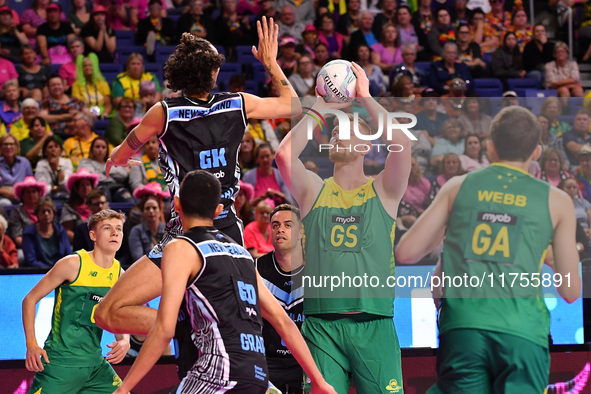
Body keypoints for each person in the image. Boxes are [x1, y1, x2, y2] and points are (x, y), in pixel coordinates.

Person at [95, 19, 301, 383]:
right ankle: (192, 327)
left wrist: (116, 157)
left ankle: (176, 324)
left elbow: (128, 146)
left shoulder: (164, 112)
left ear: (178, 74)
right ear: (215, 72)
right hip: (226, 236)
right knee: (268, 315)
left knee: (108, 312)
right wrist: (270, 62)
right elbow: (291, 104)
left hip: (182, 237)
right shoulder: (238, 104)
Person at [396, 105, 581, 394]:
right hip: (523, 332)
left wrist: (453, 240)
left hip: (464, 328)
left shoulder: (458, 186)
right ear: (536, 152)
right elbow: (570, 292)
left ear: (490, 147)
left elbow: (406, 252)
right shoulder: (557, 200)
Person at [112, 170, 334, 394]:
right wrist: (319, 381)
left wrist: (124, 388)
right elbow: (284, 322)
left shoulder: (180, 247)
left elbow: (163, 329)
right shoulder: (243, 254)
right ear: (219, 210)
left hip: (217, 375)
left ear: (176, 205)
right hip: (257, 376)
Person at [275, 62, 410, 394]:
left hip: (374, 322)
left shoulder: (384, 191)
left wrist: (365, 97)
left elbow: (402, 145)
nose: (337, 133)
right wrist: (321, 106)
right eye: (335, 131)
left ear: (366, 146)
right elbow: (283, 154)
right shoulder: (314, 190)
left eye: (347, 130)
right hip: (321, 325)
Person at [22, 209, 130, 394]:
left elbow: (118, 315)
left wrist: (124, 340)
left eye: (119, 229)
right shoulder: (72, 264)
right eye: (108, 228)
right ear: (93, 235)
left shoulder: (120, 274)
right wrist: (31, 344)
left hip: (95, 364)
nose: (115, 233)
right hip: (60, 363)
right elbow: (29, 300)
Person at [256, 203, 305, 394]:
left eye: (288, 225)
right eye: (275, 225)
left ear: (301, 232)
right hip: (267, 361)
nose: (280, 230)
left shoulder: (319, 270)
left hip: (305, 360)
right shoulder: (255, 268)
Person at [22, 197, 73, 268]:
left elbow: (68, 255)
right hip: (38, 272)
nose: (46, 214)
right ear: (37, 214)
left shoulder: (61, 231)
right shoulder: (29, 233)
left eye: (49, 211)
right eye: (43, 211)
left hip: (60, 271)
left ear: (53, 213)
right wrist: (49, 271)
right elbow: (31, 261)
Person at [40, 74, 92, 140]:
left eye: (58, 84)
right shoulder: (46, 102)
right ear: (48, 88)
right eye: (53, 85)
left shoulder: (75, 100)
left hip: (78, 136)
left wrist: (79, 114)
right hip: (56, 137)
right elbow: (43, 118)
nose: (56, 87)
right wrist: (65, 116)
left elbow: (90, 114)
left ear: (63, 86)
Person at [61, 168, 100, 242]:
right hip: (77, 246)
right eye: (82, 185)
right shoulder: (69, 207)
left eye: (88, 184)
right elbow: (67, 231)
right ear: (76, 188)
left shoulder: (100, 204)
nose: (85, 188)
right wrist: (83, 243)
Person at [8, 176, 46, 248]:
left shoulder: (46, 209)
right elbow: (17, 237)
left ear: (39, 194)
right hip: (27, 247)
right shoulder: (16, 212)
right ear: (22, 196)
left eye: (34, 191)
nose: (31, 195)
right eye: (28, 192)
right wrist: (34, 248)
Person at [71, 53, 113, 118]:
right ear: (81, 69)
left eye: (90, 65)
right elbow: (78, 105)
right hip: (84, 114)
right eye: (85, 66)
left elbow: (108, 105)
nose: (87, 68)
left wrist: (103, 116)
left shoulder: (103, 83)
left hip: (102, 115)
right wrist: (91, 115)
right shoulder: (76, 85)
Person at [35, 136, 73, 201]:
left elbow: (67, 186)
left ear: (60, 150)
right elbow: (42, 188)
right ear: (45, 152)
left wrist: (57, 167)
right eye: (50, 147)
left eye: (56, 146)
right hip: (46, 199)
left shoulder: (67, 162)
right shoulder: (41, 164)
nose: (53, 149)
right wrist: (57, 188)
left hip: (66, 198)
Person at [0, 133, 33, 206]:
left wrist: (18, 192)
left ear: (17, 147)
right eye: (5, 144)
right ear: (1, 147)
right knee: (5, 203)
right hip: (2, 197)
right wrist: (3, 191)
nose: (8, 147)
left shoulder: (24, 162)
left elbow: (31, 183)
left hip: (22, 196)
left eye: (11, 144)